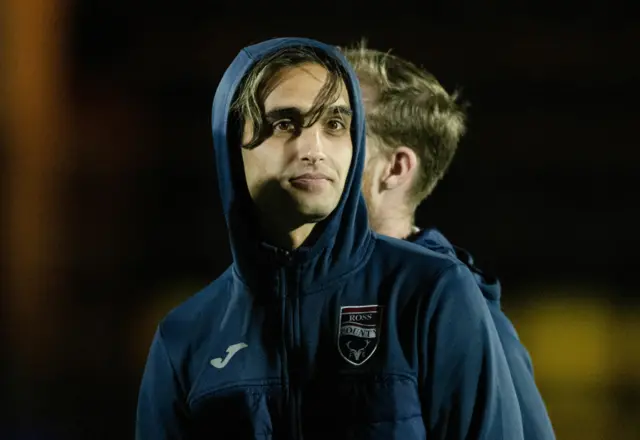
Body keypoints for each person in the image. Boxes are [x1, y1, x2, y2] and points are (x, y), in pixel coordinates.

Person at [135, 37, 524, 439]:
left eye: (335, 124)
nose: (313, 148)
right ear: (232, 145)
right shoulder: (185, 337)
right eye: (285, 123)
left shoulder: (431, 293)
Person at [342, 42, 556, 439]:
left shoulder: (465, 315)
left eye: (338, 126)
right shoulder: (275, 291)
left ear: (395, 168)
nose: (310, 147)